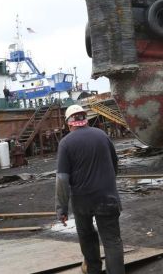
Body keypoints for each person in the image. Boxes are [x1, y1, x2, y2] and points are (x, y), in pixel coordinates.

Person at [56, 104, 124, 274]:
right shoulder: (102, 135)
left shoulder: (66, 143)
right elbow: (115, 164)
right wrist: (107, 184)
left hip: (82, 201)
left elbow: (62, 180)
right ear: (85, 119)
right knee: (112, 241)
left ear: (69, 123)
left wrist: (61, 209)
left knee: (87, 237)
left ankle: (94, 270)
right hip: (107, 197)